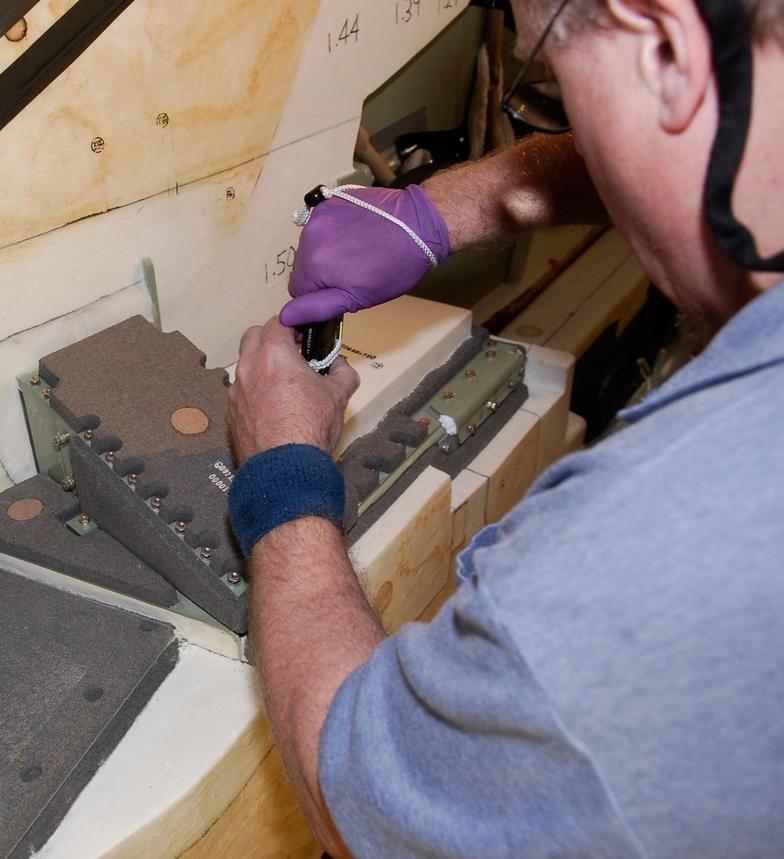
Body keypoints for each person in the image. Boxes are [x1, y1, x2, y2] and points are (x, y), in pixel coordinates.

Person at [225, 0, 784, 854]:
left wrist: (283, 473)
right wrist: (449, 208)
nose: (567, 117)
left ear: (667, 44)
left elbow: (359, 792)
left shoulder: (648, 559)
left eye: (554, 82)